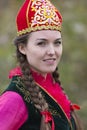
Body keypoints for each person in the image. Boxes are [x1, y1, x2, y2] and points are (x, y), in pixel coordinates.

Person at [0, 0, 83, 130]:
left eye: (57, 43)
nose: (52, 51)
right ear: (22, 48)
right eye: (41, 43)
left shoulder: (53, 89)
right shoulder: (14, 98)